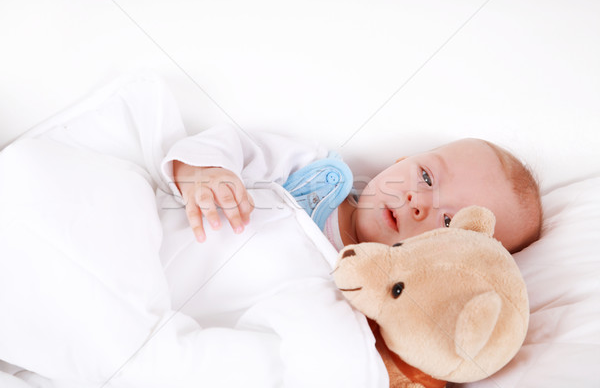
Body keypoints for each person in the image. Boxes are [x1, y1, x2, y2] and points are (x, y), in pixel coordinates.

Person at [171, 128, 542, 255]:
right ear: (402, 160)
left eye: (448, 221)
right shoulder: (313, 173)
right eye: (426, 177)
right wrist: (204, 172)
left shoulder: (380, 304)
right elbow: (235, 144)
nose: (419, 203)